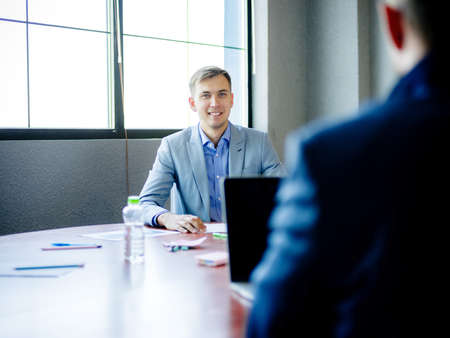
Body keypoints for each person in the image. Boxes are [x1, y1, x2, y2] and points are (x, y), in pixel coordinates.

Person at [248, 1, 450, 337]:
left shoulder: (333, 154)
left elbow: (272, 323)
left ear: (393, 23)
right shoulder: (175, 145)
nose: (216, 104)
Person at [139, 66, 285, 233]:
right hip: (193, 242)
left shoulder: (259, 142)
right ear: (193, 103)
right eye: (205, 95)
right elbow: (145, 204)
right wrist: (168, 218)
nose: (215, 103)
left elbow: (287, 192)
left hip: (246, 237)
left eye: (222, 94)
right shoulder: (172, 146)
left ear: (231, 100)